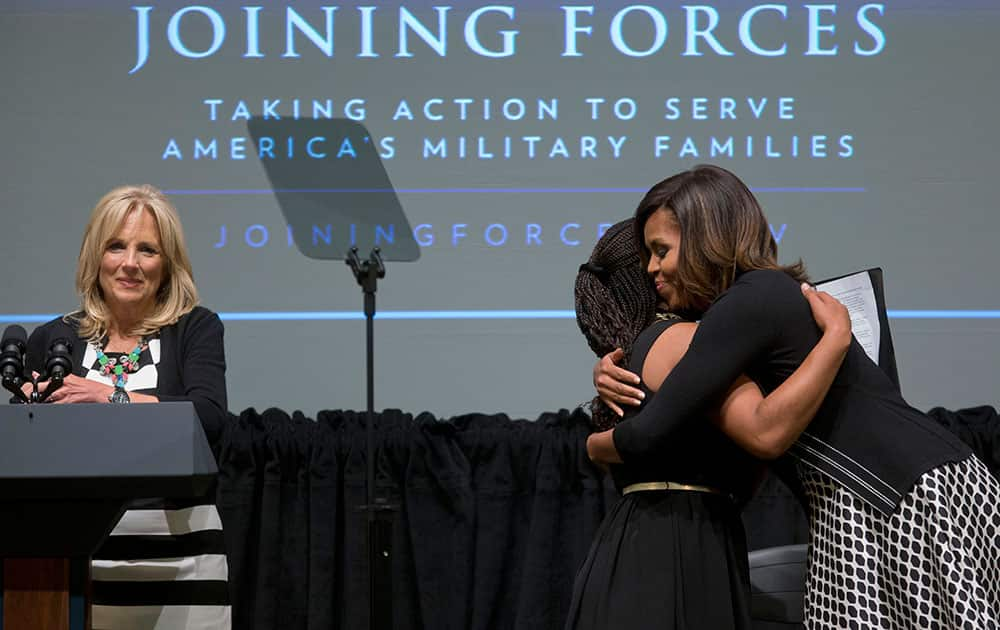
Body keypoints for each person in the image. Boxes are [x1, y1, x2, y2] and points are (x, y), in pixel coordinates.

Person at [588, 165, 1000, 628]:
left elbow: (653, 433)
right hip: (888, 489)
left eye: (661, 250)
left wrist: (588, 444)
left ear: (707, 237)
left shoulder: (749, 300)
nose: (651, 268)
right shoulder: (763, 299)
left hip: (895, 492)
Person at [567, 219, 852, 629]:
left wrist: (593, 445)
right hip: (678, 543)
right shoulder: (683, 341)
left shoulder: (636, 353)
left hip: (650, 540)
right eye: (660, 253)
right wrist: (835, 338)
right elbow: (763, 433)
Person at [25, 184, 231, 630]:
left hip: (183, 559)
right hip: (82, 561)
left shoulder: (195, 328)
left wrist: (107, 395)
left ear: (168, 263)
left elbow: (209, 417)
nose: (130, 263)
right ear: (95, 256)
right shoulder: (53, 339)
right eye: (116, 246)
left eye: (148, 250)